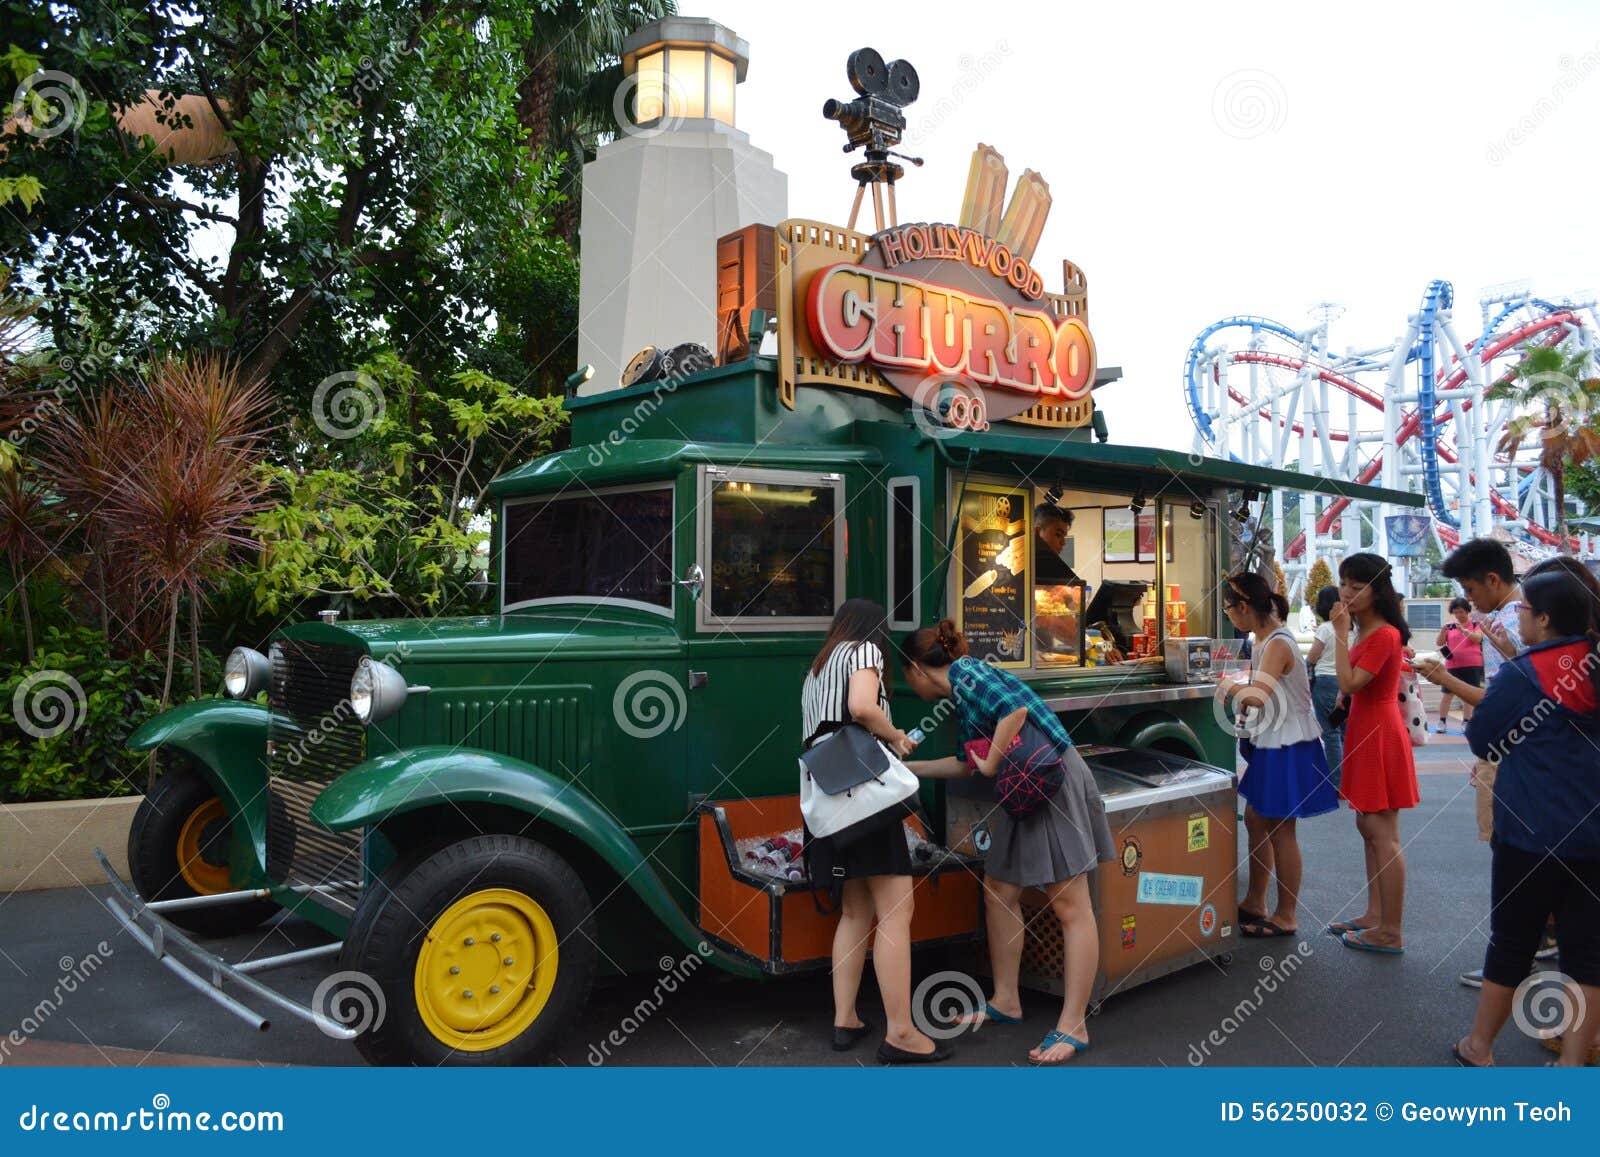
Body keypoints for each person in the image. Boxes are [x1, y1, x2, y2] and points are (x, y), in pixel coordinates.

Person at [901, 620, 1115, 1064]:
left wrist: (993, 762)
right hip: (1025, 788)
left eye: (902, 675)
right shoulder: (964, 688)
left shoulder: (968, 675)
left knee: (1070, 904)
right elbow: (966, 764)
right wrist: (908, 771)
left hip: (1050, 780)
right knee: (998, 888)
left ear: (917, 669)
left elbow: (1013, 715)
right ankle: (1005, 999)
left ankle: (1075, 1024)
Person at [1450, 569, 1600, 1067]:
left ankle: (1480, 1046)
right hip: (1593, 835)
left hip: (1531, 833)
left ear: (1545, 618)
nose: (1519, 615)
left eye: (1524, 608)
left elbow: (1482, 739)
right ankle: (1574, 1064)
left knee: (1513, 938)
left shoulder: (1523, 673)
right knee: (1588, 951)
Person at [800, 598, 950, 1064]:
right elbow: (862, 706)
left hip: (830, 802)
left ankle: (845, 1018)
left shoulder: (818, 667)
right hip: (863, 799)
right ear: (874, 631)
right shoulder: (864, 650)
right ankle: (902, 1032)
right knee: (896, 912)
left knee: (854, 912)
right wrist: (895, 734)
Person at [1216, 573, 1337, 938]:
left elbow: (1257, 696)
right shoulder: (1264, 639)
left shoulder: (1278, 643)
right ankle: (1255, 901)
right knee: (1256, 819)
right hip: (1276, 741)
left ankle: (1286, 914)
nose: (1228, 617)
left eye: (1228, 609)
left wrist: (1223, 684)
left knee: (1282, 829)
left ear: (1242, 607)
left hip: (1288, 744)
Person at [1327, 552, 1418, 954]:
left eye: (1356, 585)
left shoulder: (1382, 635)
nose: (1346, 591)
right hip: (1368, 730)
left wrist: (1341, 634)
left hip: (1379, 732)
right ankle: (1375, 915)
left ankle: (1390, 930)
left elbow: (1348, 683)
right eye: (1344, 582)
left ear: (1377, 590)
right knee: (1370, 830)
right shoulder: (1371, 631)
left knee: (1382, 834)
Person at [1304, 584, 1345, 787]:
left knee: (1330, 734)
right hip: (1347, 681)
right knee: (1346, 733)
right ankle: (1350, 780)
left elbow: (1312, 656)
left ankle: (1335, 783)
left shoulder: (1326, 628)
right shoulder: (1352, 627)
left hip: (1326, 682)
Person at [1433, 598, 1484, 732]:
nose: (1458, 615)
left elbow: (1477, 638)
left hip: (1472, 664)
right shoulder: (1450, 627)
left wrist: (1463, 630)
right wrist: (1443, 631)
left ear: (1467, 611)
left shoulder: (1475, 625)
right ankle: (1442, 721)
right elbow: (1439, 643)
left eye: (1461, 612)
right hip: (1452, 665)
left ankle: (1466, 721)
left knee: (1468, 694)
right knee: (1447, 694)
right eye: (1455, 612)